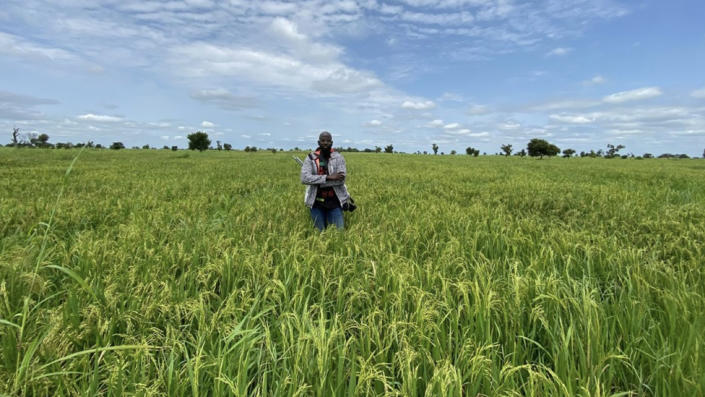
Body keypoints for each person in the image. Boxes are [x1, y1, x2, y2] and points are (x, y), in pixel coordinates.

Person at [300, 131, 351, 231]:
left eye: (328, 141)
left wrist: (316, 181)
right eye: (323, 140)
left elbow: (341, 179)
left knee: (339, 232)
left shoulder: (338, 157)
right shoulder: (311, 158)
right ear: (318, 142)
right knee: (319, 233)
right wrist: (328, 177)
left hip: (335, 201)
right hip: (316, 201)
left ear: (331, 143)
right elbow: (304, 178)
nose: (325, 143)